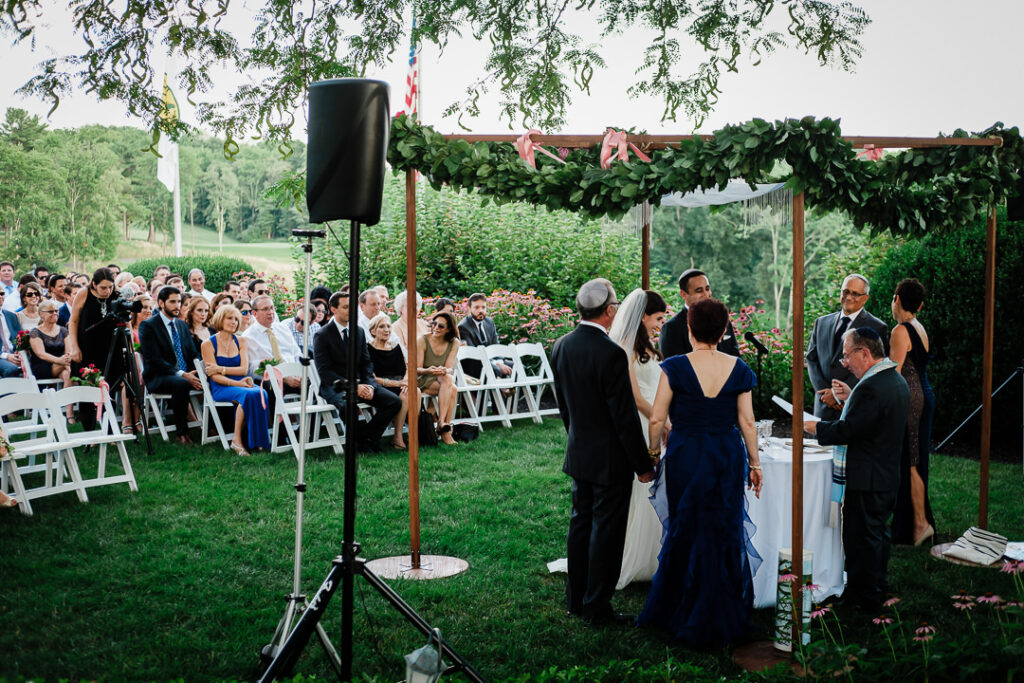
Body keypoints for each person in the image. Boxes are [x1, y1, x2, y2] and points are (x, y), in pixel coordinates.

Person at [637, 297, 762, 647]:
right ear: (723, 332)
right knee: (722, 528)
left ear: (690, 329)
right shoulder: (737, 367)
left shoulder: (675, 366)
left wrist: (652, 454)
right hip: (724, 454)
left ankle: (678, 606)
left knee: (685, 525)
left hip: (687, 453)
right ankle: (720, 607)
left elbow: (658, 418)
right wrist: (755, 464)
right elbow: (747, 422)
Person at [550, 278, 654, 624]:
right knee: (606, 532)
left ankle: (575, 599)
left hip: (579, 452)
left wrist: (577, 438)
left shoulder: (561, 345)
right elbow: (624, 418)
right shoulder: (611, 354)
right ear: (609, 311)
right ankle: (597, 607)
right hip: (612, 460)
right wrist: (642, 464)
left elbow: (564, 406)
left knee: (580, 525)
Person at [805, 327, 909, 611]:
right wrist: (851, 395)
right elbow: (871, 421)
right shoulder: (892, 378)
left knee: (861, 539)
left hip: (867, 476)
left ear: (864, 353)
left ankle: (862, 599)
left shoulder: (873, 388)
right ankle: (877, 587)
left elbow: (850, 429)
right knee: (877, 536)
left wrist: (816, 427)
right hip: (884, 474)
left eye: (847, 355)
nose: (844, 361)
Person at [607, 289, 668, 589]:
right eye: (657, 318)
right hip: (644, 424)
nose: (660, 324)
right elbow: (635, 396)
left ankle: (655, 555)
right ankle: (635, 556)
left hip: (657, 421)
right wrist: (661, 420)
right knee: (641, 491)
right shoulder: (625, 347)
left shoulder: (647, 346)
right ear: (643, 316)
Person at [313, 291, 401, 453]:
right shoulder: (322, 335)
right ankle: (365, 442)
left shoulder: (359, 331)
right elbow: (325, 372)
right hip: (336, 386)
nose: (350, 310)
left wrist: (369, 384)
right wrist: (354, 387)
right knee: (349, 406)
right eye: (345, 307)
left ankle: (366, 437)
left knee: (394, 401)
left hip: (362, 382)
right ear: (333, 309)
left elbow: (366, 363)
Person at [887, 279, 936, 547]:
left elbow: (893, 374)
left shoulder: (900, 330)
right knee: (914, 459)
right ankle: (918, 522)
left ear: (897, 300)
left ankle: (919, 524)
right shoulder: (919, 327)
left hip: (911, 402)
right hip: (924, 395)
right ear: (919, 305)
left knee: (911, 461)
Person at [806, 273, 889, 419]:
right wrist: (825, 393)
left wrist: (837, 395)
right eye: (846, 292)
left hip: (851, 404)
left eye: (855, 294)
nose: (849, 297)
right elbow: (812, 359)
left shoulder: (877, 327)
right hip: (822, 404)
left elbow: (874, 367)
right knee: (817, 442)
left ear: (865, 298)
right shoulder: (821, 323)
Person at [201, 305, 271, 455]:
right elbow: (214, 376)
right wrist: (235, 382)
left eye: (236, 319)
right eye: (229, 318)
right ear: (220, 319)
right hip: (221, 386)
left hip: (242, 381)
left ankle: (259, 441)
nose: (233, 322)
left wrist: (220, 368)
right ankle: (237, 440)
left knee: (261, 393)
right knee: (247, 395)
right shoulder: (207, 344)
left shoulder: (241, 341)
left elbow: (243, 370)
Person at [139, 286, 204, 444]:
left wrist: (199, 370)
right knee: (181, 383)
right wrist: (182, 374)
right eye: (172, 302)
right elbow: (154, 360)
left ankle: (213, 426)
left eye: (179, 302)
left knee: (212, 378)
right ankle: (181, 432)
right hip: (158, 376)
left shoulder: (181, 325)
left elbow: (192, 352)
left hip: (184, 374)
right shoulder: (148, 326)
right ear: (161, 303)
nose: (177, 306)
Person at [659, 268, 740, 358]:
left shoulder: (723, 321)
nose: (706, 294)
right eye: (699, 290)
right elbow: (672, 368)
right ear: (683, 294)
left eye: (707, 289)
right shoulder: (671, 328)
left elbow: (736, 358)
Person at [416, 311, 460, 446]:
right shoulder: (423, 340)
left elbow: (448, 368)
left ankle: (441, 424)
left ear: (449, 329)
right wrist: (430, 370)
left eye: (441, 326)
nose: (435, 328)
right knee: (452, 388)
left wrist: (443, 370)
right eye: (434, 324)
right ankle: (444, 428)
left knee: (448, 381)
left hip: (441, 378)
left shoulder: (454, 343)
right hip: (423, 377)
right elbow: (417, 368)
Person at [367, 313, 409, 449]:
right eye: (381, 327)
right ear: (373, 331)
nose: (386, 330)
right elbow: (371, 377)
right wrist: (396, 383)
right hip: (381, 386)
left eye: (389, 326)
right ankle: (398, 437)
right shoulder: (368, 349)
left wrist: (406, 382)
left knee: (414, 392)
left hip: (399, 384)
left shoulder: (395, 347)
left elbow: (405, 369)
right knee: (406, 394)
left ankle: (406, 435)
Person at [28, 300, 74, 419]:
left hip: (62, 364)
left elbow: (68, 351)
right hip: (43, 365)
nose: (55, 313)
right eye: (51, 311)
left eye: (56, 311)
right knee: (69, 369)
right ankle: (67, 412)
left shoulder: (63, 330)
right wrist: (61, 361)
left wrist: (65, 359)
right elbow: (41, 354)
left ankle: (68, 413)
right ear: (41, 314)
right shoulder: (35, 332)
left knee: (67, 374)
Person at [458, 292, 513, 378]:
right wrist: (496, 364)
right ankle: (504, 391)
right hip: (476, 364)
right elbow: (474, 353)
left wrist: (499, 362)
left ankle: (516, 391)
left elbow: (496, 345)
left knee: (518, 367)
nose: (480, 310)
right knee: (496, 370)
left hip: (492, 361)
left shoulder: (489, 322)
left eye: (483, 307)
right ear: (469, 308)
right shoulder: (463, 327)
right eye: (476, 307)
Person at [0, 292, 23, 378]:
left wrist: (20, 353)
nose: (0, 296)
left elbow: (20, 338)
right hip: (2, 356)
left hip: (14, 354)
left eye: (2, 294)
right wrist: (6, 356)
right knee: (12, 369)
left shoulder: (11, 316)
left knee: (38, 366)